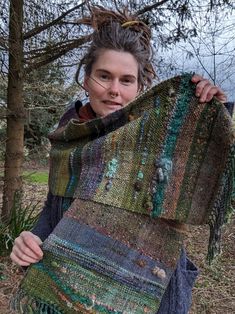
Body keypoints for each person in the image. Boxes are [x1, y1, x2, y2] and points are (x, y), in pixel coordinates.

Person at [10, 5, 228, 314]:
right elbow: (53, 206)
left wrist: (212, 115)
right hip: (73, 292)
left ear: (140, 87)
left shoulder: (162, 139)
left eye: (126, 80)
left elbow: (214, 169)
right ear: (86, 80)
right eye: (104, 76)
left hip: (150, 295)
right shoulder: (67, 137)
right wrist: (31, 237)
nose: (114, 90)